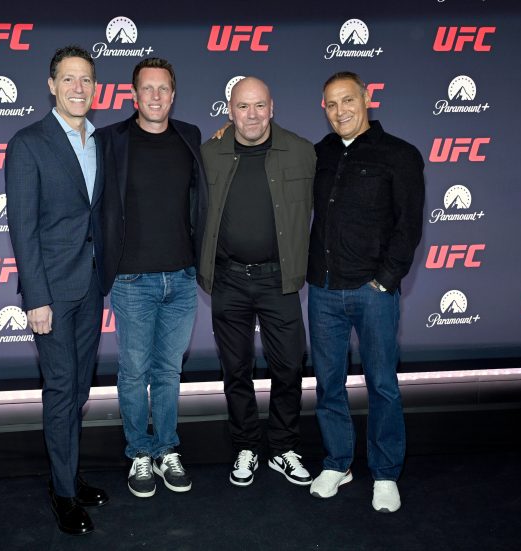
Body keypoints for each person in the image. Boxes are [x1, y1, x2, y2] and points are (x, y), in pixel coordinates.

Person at [307, 71, 425, 513]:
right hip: (323, 290)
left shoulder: (400, 154)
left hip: (372, 291)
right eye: (331, 104)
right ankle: (338, 463)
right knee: (328, 385)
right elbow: (265, 146)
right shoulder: (318, 153)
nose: (340, 111)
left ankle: (386, 472)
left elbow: (408, 225)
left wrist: (386, 280)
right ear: (324, 108)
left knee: (382, 385)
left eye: (348, 100)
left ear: (367, 98)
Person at [5, 45, 108, 535]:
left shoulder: (100, 141)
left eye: (85, 79)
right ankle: (63, 493)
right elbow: (22, 229)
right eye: (68, 79)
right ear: (51, 86)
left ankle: (69, 473)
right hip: (52, 292)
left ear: (95, 86)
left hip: (91, 286)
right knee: (63, 388)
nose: (78, 88)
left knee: (80, 388)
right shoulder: (28, 143)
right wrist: (36, 299)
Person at [96, 58, 208, 498]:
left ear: (173, 94)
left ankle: (166, 449)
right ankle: (139, 452)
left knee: (168, 371)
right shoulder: (110, 140)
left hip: (181, 278)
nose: (156, 96)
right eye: (148, 88)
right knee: (133, 371)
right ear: (134, 95)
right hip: (132, 281)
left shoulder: (191, 137)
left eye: (163, 88)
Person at [198, 77, 316, 488]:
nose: (252, 115)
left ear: (272, 108)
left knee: (289, 366)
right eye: (243, 106)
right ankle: (246, 445)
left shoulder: (302, 152)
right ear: (229, 111)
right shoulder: (209, 153)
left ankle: (283, 447)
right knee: (236, 370)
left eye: (259, 105)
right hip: (228, 279)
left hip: (278, 280)